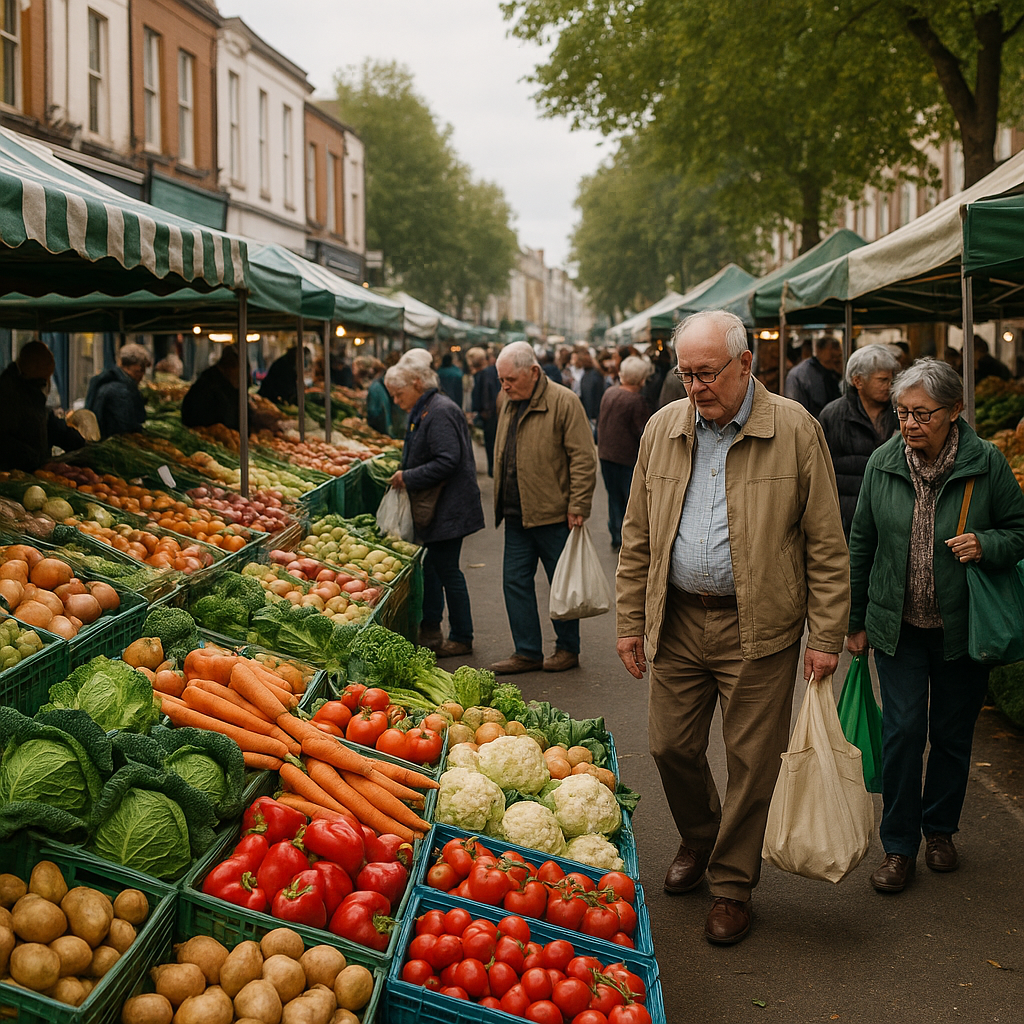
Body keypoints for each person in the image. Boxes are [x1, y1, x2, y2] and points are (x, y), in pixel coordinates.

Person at [615, 309, 849, 946]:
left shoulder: (796, 430)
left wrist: (826, 635)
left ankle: (731, 884)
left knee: (752, 760)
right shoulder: (663, 427)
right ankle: (700, 834)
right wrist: (630, 619)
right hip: (681, 619)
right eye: (685, 374)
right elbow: (636, 535)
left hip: (762, 624)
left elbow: (827, 542)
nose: (695, 387)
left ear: (746, 364)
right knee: (669, 745)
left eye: (707, 373)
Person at [848, 358, 1024, 894]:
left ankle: (940, 830)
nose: (909, 423)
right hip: (898, 629)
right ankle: (898, 846)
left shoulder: (985, 462)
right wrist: (853, 621)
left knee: (950, 735)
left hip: (961, 631)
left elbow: (1019, 530)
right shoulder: (883, 463)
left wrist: (986, 544)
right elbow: (862, 544)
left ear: (954, 411)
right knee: (903, 734)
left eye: (922, 413)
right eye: (902, 412)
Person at [491, 341, 597, 675]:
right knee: (515, 582)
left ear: (534, 372)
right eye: (501, 380)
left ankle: (568, 649)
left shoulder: (564, 402)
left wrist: (578, 503)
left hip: (554, 513)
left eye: (510, 379)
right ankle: (527, 651)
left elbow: (582, 456)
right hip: (515, 513)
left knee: (561, 583)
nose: (505, 386)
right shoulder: (507, 401)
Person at [386, 355, 484, 658]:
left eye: (399, 394)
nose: (396, 401)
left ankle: (461, 636)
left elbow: (447, 459)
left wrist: (408, 476)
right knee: (435, 567)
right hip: (442, 505)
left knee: (447, 570)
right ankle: (432, 627)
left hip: (449, 506)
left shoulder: (439, 411)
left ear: (417, 384)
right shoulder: (429, 407)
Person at [819, 344, 901, 537]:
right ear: (858, 381)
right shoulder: (833, 416)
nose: (889, 386)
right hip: (847, 517)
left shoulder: (900, 412)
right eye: (882, 380)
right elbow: (820, 469)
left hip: (892, 512)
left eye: (891, 379)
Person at [0, 341, 86, 471]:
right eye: (46, 378)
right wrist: (36, 462)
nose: (48, 384)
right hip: (14, 476)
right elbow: (6, 442)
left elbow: (49, 424)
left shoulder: (26, 391)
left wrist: (80, 445)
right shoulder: (9, 396)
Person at [598, 355, 652, 548]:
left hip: (606, 455)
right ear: (641, 379)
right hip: (626, 459)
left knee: (613, 497)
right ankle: (627, 539)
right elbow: (644, 433)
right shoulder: (636, 401)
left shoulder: (609, 393)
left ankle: (615, 534)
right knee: (631, 502)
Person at [181, 345, 276, 433]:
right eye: (239, 371)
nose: (241, 378)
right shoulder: (208, 387)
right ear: (230, 367)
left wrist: (255, 417)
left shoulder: (229, 385)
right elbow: (221, 420)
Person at [85, 343, 151, 438]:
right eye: (141, 370)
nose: (142, 375)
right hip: (113, 443)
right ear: (134, 367)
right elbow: (126, 426)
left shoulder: (109, 381)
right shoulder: (120, 390)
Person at [785, 334, 843, 419]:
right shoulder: (800, 374)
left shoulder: (837, 371)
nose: (836, 353)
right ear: (819, 350)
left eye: (839, 354)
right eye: (832, 349)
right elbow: (793, 405)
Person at [470, 347, 501, 477]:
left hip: (490, 414)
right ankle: (494, 468)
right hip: (493, 412)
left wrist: (484, 411)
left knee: (491, 442)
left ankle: (492, 468)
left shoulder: (485, 374)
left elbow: (486, 393)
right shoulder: (489, 372)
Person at [576, 350, 605, 430]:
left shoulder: (589, 376)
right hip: (595, 412)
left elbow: (589, 396)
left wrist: (592, 415)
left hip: (592, 414)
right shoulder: (595, 373)